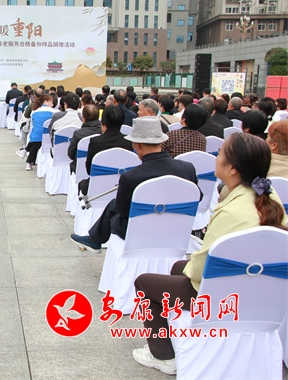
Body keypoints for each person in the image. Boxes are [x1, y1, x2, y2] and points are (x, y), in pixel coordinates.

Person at [132, 133, 287, 375]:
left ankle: (163, 356)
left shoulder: (233, 212)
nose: (216, 156)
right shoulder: (270, 196)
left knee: (144, 283)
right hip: (261, 291)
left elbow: (200, 269)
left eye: (221, 153)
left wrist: (190, 267)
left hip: (225, 296)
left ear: (233, 169)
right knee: (177, 269)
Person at [71, 116, 200, 252]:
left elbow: (123, 211)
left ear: (137, 145)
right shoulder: (188, 168)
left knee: (116, 209)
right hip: (176, 229)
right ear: (161, 142)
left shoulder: (131, 177)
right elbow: (198, 197)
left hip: (141, 231)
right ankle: (94, 239)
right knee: (115, 205)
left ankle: (95, 239)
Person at [77, 105, 134, 195]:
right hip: (121, 186)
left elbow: (89, 170)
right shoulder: (129, 142)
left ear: (103, 122)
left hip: (98, 187)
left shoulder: (95, 141)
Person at [21, 94, 57, 171]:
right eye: (51, 102)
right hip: (50, 138)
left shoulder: (34, 112)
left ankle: (28, 159)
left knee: (35, 144)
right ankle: (27, 156)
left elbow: (33, 126)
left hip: (36, 137)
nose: (53, 104)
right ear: (46, 101)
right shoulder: (56, 112)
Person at [67, 104, 102, 174]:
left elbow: (70, 154)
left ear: (83, 118)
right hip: (98, 169)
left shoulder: (78, 134)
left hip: (79, 170)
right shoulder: (103, 132)